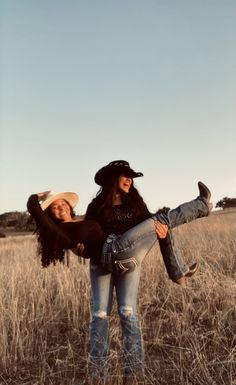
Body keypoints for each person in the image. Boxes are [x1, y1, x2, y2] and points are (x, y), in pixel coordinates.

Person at [26, 171, 211, 384]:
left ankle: (132, 374)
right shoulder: (60, 230)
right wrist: (38, 197)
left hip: (120, 253)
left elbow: (105, 230)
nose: (61, 207)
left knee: (127, 310)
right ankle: (201, 206)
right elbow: (36, 211)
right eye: (55, 206)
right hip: (112, 251)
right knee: (100, 315)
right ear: (49, 213)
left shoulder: (85, 219)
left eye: (63, 203)